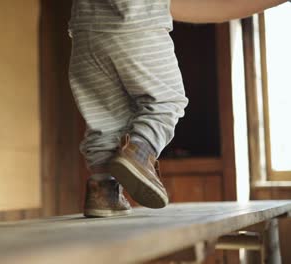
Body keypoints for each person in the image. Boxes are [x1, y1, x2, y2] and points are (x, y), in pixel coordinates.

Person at [67, 0, 289, 217]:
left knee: (104, 118)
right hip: (138, 18)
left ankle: (103, 190)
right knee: (165, 102)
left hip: (83, 30)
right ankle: (140, 151)